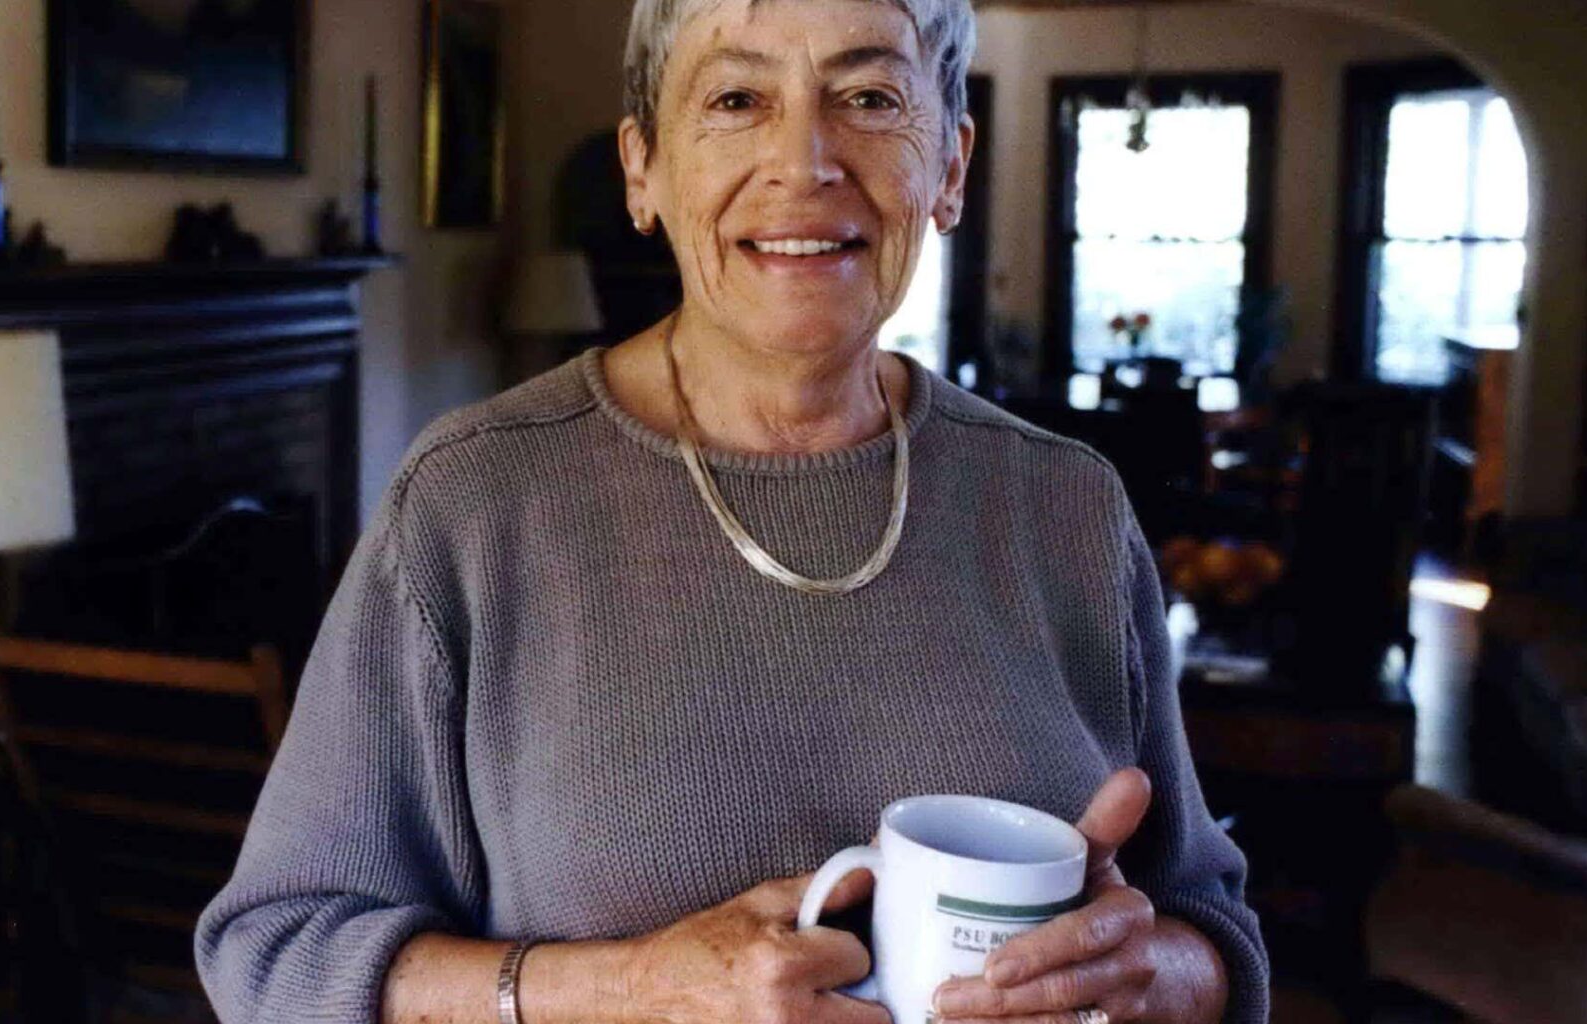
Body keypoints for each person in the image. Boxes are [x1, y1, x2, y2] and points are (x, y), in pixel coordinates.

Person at [194, 0, 1269, 1021]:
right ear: (643, 170)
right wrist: (628, 992)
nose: (803, 162)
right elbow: (275, 954)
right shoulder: (473, 504)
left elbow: (1211, 926)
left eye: (871, 98)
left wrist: (1155, 977)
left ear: (950, 166)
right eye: (736, 100)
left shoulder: (1068, 504)